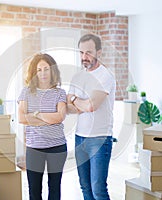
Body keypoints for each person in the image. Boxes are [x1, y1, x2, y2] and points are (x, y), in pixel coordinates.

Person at [67, 33, 116, 200]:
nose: (84, 57)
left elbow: (91, 106)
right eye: (81, 53)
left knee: (98, 189)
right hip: (80, 138)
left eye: (88, 52)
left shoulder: (105, 76)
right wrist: (79, 103)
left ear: (99, 52)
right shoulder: (77, 76)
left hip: (100, 139)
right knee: (85, 186)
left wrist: (75, 99)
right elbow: (69, 109)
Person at [17, 53, 67, 200]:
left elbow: (60, 117)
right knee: (34, 191)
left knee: (54, 190)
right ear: (34, 72)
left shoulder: (60, 93)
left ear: (52, 70)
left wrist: (36, 114)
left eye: (46, 69)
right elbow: (21, 118)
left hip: (57, 147)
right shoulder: (26, 92)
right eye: (39, 70)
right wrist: (49, 119)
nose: (43, 73)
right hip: (34, 148)